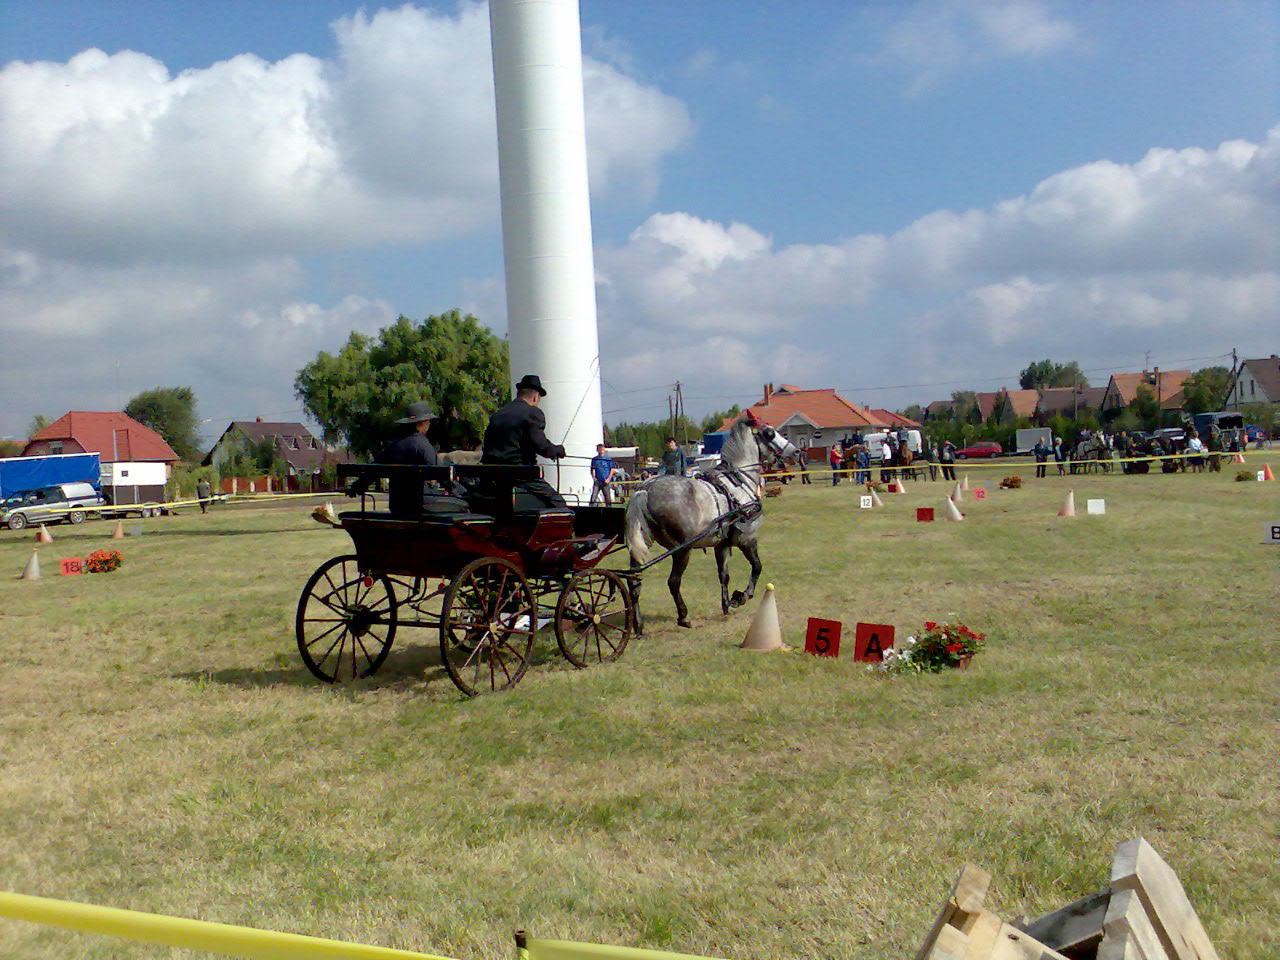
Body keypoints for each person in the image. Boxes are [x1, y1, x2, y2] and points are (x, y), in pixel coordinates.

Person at [481, 374, 568, 509]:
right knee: (559, 504)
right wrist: (557, 450)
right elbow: (541, 445)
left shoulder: (498, 414)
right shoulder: (532, 413)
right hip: (520, 476)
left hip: (492, 476)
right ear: (535, 397)